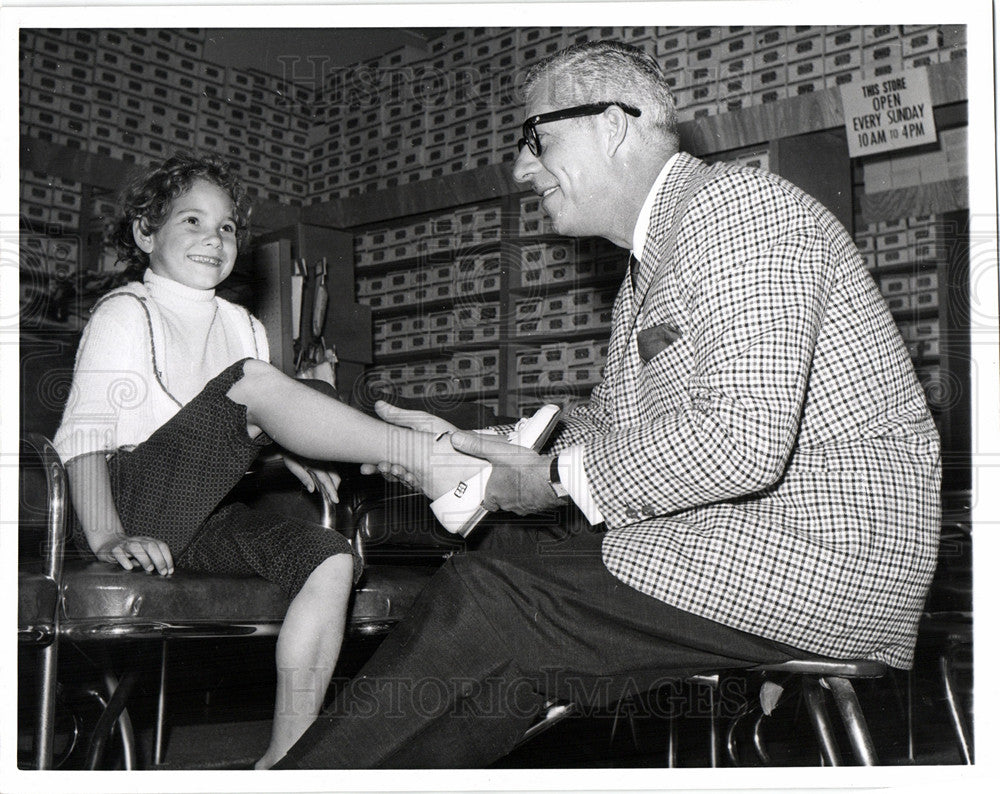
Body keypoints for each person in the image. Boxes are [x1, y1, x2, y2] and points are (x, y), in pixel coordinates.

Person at [274, 40, 941, 769]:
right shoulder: (651, 263)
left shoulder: (742, 212)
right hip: (752, 536)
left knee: (502, 597)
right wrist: (470, 442)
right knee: (505, 565)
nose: (522, 167)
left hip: (820, 555)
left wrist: (548, 479)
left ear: (614, 124)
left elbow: (742, 440)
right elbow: (613, 427)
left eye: (537, 138)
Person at [52, 151, 483, 769]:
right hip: (125, 499)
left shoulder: (245, 325)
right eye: (192, 222)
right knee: (251, 381)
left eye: (227, 226)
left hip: (201, 512)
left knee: (331, 558)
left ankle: (287, 760)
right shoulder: (126, 311)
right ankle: (434, 459)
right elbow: (83, 436)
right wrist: (107, 533)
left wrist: (286, 444)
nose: (214, 238)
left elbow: (250, 415)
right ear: (146, 234)